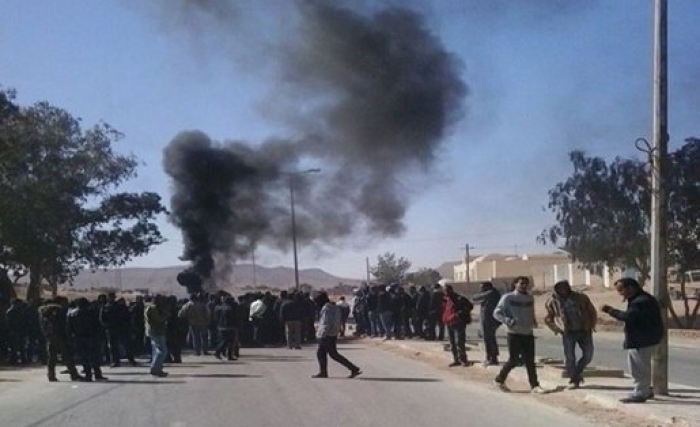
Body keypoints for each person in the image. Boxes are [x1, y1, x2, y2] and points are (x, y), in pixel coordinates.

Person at [601, 277, 663, 403]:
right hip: (645, 338)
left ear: (630, 288)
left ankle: (640, 393)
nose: (620, 293)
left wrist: (610, 310)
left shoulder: (640, 301)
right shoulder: (641, 299)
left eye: (621, 289)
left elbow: (628, 317)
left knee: (639, 368)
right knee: (641, 367)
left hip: (642, 340)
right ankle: (646, 390)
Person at [492, 276, 545, 393]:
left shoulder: (530, 298)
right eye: (521, 283)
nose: (524, 285)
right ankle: (499, 379)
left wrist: (533, 322)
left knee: (530, 361)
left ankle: (535, 385)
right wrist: (509, 321)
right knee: (514, 360)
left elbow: (531, 312)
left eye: (526, 283)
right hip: (514, 333)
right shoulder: (508, 297)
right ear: (515, 284)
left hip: (528, 332)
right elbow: (497, 313)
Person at [544, 280, 598, 389]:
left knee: (588, 355)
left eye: (565, 287)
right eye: (560, 288)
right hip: (568, 333)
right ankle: (574, 380)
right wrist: (557, 329)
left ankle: (577, 372)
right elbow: (548, 318)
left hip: (584, 330)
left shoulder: (581, 297)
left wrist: (591, 324)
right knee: (570, 357)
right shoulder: (552, 301)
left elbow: (592, 311)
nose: (563, 290)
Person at [311, 292, 362, 379]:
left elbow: (326, 322)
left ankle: (353, 368)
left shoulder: (327, 308)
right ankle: (323, 372)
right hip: (332, 333)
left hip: (327, 334)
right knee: (323, 353)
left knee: (332, 354)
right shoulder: (334, 306)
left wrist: (322, 334)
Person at [39, 297, 82, 382]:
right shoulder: (59, 311)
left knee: (52, 357)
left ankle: (51, 375)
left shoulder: (44, 312)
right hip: (60, 336)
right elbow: (63, 324)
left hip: (50, 337)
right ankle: (74, 374)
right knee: (67, 355)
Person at [67, 298, 108, 382]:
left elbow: (69, 328)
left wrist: (70, 338)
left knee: (84, 357)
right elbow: (98, 325)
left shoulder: (71, 314)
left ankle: (88, 375)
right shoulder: (92, 313)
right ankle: (97, 374)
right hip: (91, 337)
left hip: (79, 338)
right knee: (94, 356)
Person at [442, 285, 474, 367]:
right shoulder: (448, 300)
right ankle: (456, 360)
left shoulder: (460, 298)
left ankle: (463, 360)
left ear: (451, 290)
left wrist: (458, 314)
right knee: (452, 343)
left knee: (459, 342)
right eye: (445, 291)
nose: (446, 293)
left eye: (447, 291)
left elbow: (470, 306)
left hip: (458, 323)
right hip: (449, 323)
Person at [471, 281, 502, 366]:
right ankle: (491, 357)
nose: (481, 290)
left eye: (482, 288)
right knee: (489, 338)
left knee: (489, 339)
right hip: (488, 318)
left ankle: (492, 358)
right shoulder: (492, 293)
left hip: (489, 319)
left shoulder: (491, 293)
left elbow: (475, 298)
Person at [145, 294, 169, 377]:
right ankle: (155, 369)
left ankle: (157, 368)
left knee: (156, 351)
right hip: (156, 331)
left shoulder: (153, 308)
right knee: (162, 351)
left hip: (156, 331)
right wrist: (166, 314)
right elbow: (159, 319)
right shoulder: (153, 308)